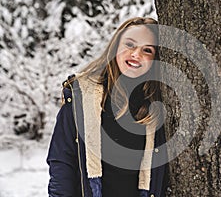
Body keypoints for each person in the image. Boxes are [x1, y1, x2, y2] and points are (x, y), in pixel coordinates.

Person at [47, 17, 169, 197]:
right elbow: (62, 160)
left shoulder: (159, 102)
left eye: (147, 50)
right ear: (115, 46)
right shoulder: (82, 95)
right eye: (130, 44)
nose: (136, 54)